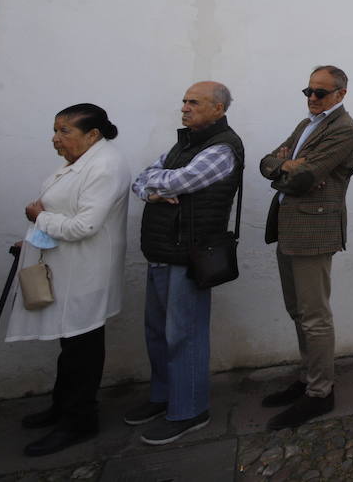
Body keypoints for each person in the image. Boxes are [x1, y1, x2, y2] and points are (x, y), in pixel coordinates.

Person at [6, 104, 128, 457]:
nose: (56, 138)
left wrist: (39, 220)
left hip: (86, 272)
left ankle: (79, 420)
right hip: (69, 268)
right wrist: (32, 235)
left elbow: (84, 225)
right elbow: (65, 209)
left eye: (64, 131)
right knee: (71, 345)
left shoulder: (105, 165)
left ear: (92, 134)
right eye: (56, 129)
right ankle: (62, 407)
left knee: (82, 349)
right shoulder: (83, 160)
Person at [126, 82, 242, 446]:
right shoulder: (186, 143)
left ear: (219, 109)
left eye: (194, 102)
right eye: (184, 101)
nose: (185, 107)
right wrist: (154, 190)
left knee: (184, 335)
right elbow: (142, 178)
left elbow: (182, 180)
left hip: (190, 251)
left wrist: (159, 187)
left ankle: (189, 410)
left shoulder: (222, 147)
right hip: (164, 249)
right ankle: (164, 397)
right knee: (158, 331)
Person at [258, 65, 353, 428]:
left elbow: (303, 177)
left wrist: (289, 167)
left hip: (315, 231)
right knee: (296, 309)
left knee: (314, 315)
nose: (312, 98)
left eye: (321, 93)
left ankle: (320, 392)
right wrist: (284, 164)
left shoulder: (344, 129)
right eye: (309, 91)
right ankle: (308, 378)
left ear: (341, 94)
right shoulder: (307, 125)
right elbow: (267, 161)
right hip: (290, 227)